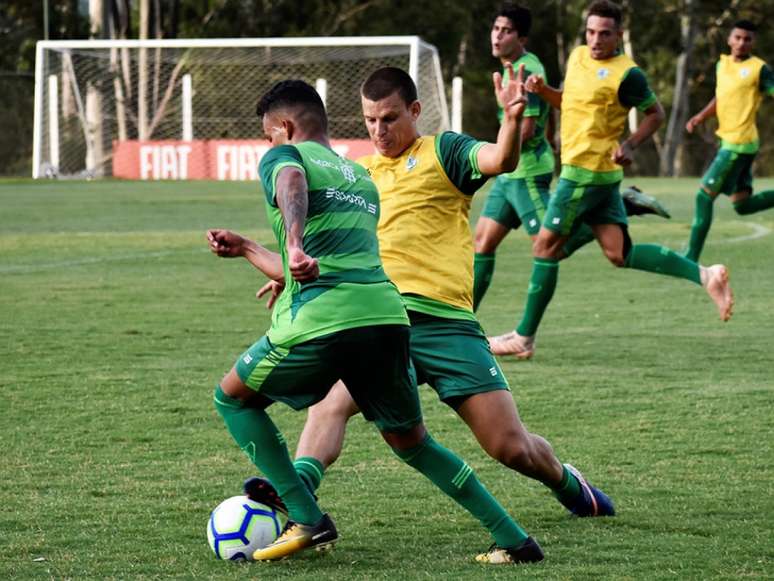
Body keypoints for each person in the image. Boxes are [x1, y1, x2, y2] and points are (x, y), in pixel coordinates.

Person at [216, 66, 616, 565]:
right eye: (368, 121)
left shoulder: (442, 151)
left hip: (445, 323)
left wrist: (512, 122)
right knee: (331, 404)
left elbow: (499, 158)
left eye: (388, 119)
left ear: (414, 112)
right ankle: (300, 493)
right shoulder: (357, 172)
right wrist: (286, 267)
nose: (378, 131)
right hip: (383, 317)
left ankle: (564, 481)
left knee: (510, 447)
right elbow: (339, 246)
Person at [488, 0, 734, 359]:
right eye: (590, 32)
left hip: (584, 174)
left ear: (619, 35)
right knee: (620, 253)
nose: (596, 39)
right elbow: (568, 103)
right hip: (593, 176)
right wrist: (544, 93)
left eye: (605, 33)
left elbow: (656, 113)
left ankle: (523, 337)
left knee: (544, 248)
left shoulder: (627, 74)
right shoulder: (577, 57)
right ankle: (706, 275)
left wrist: (631, 143)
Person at [473, 2, 670, 312]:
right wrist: (551, 135)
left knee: (549, 248)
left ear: (522, 38)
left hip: (527, 173)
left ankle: (620, 206)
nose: (497, 36)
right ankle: (462, 324)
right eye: (496, 29)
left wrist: (484, 153)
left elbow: (524, 132)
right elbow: (560, 104)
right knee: (482, 242)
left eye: (506, 31)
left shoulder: (530, 68)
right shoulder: (557, 61)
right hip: (508, 174)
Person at [683, 19, 774, 262]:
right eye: (738, 37)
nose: (742, 43)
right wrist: (701, 116)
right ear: (729, 39)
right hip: (733, 143)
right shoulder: (721, 65)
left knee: (703, 196)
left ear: (753, 42)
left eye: (748, 39)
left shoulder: (759, 68)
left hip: (739, 143)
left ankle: (691, 256)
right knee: (742, 205)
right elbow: (720, 96)